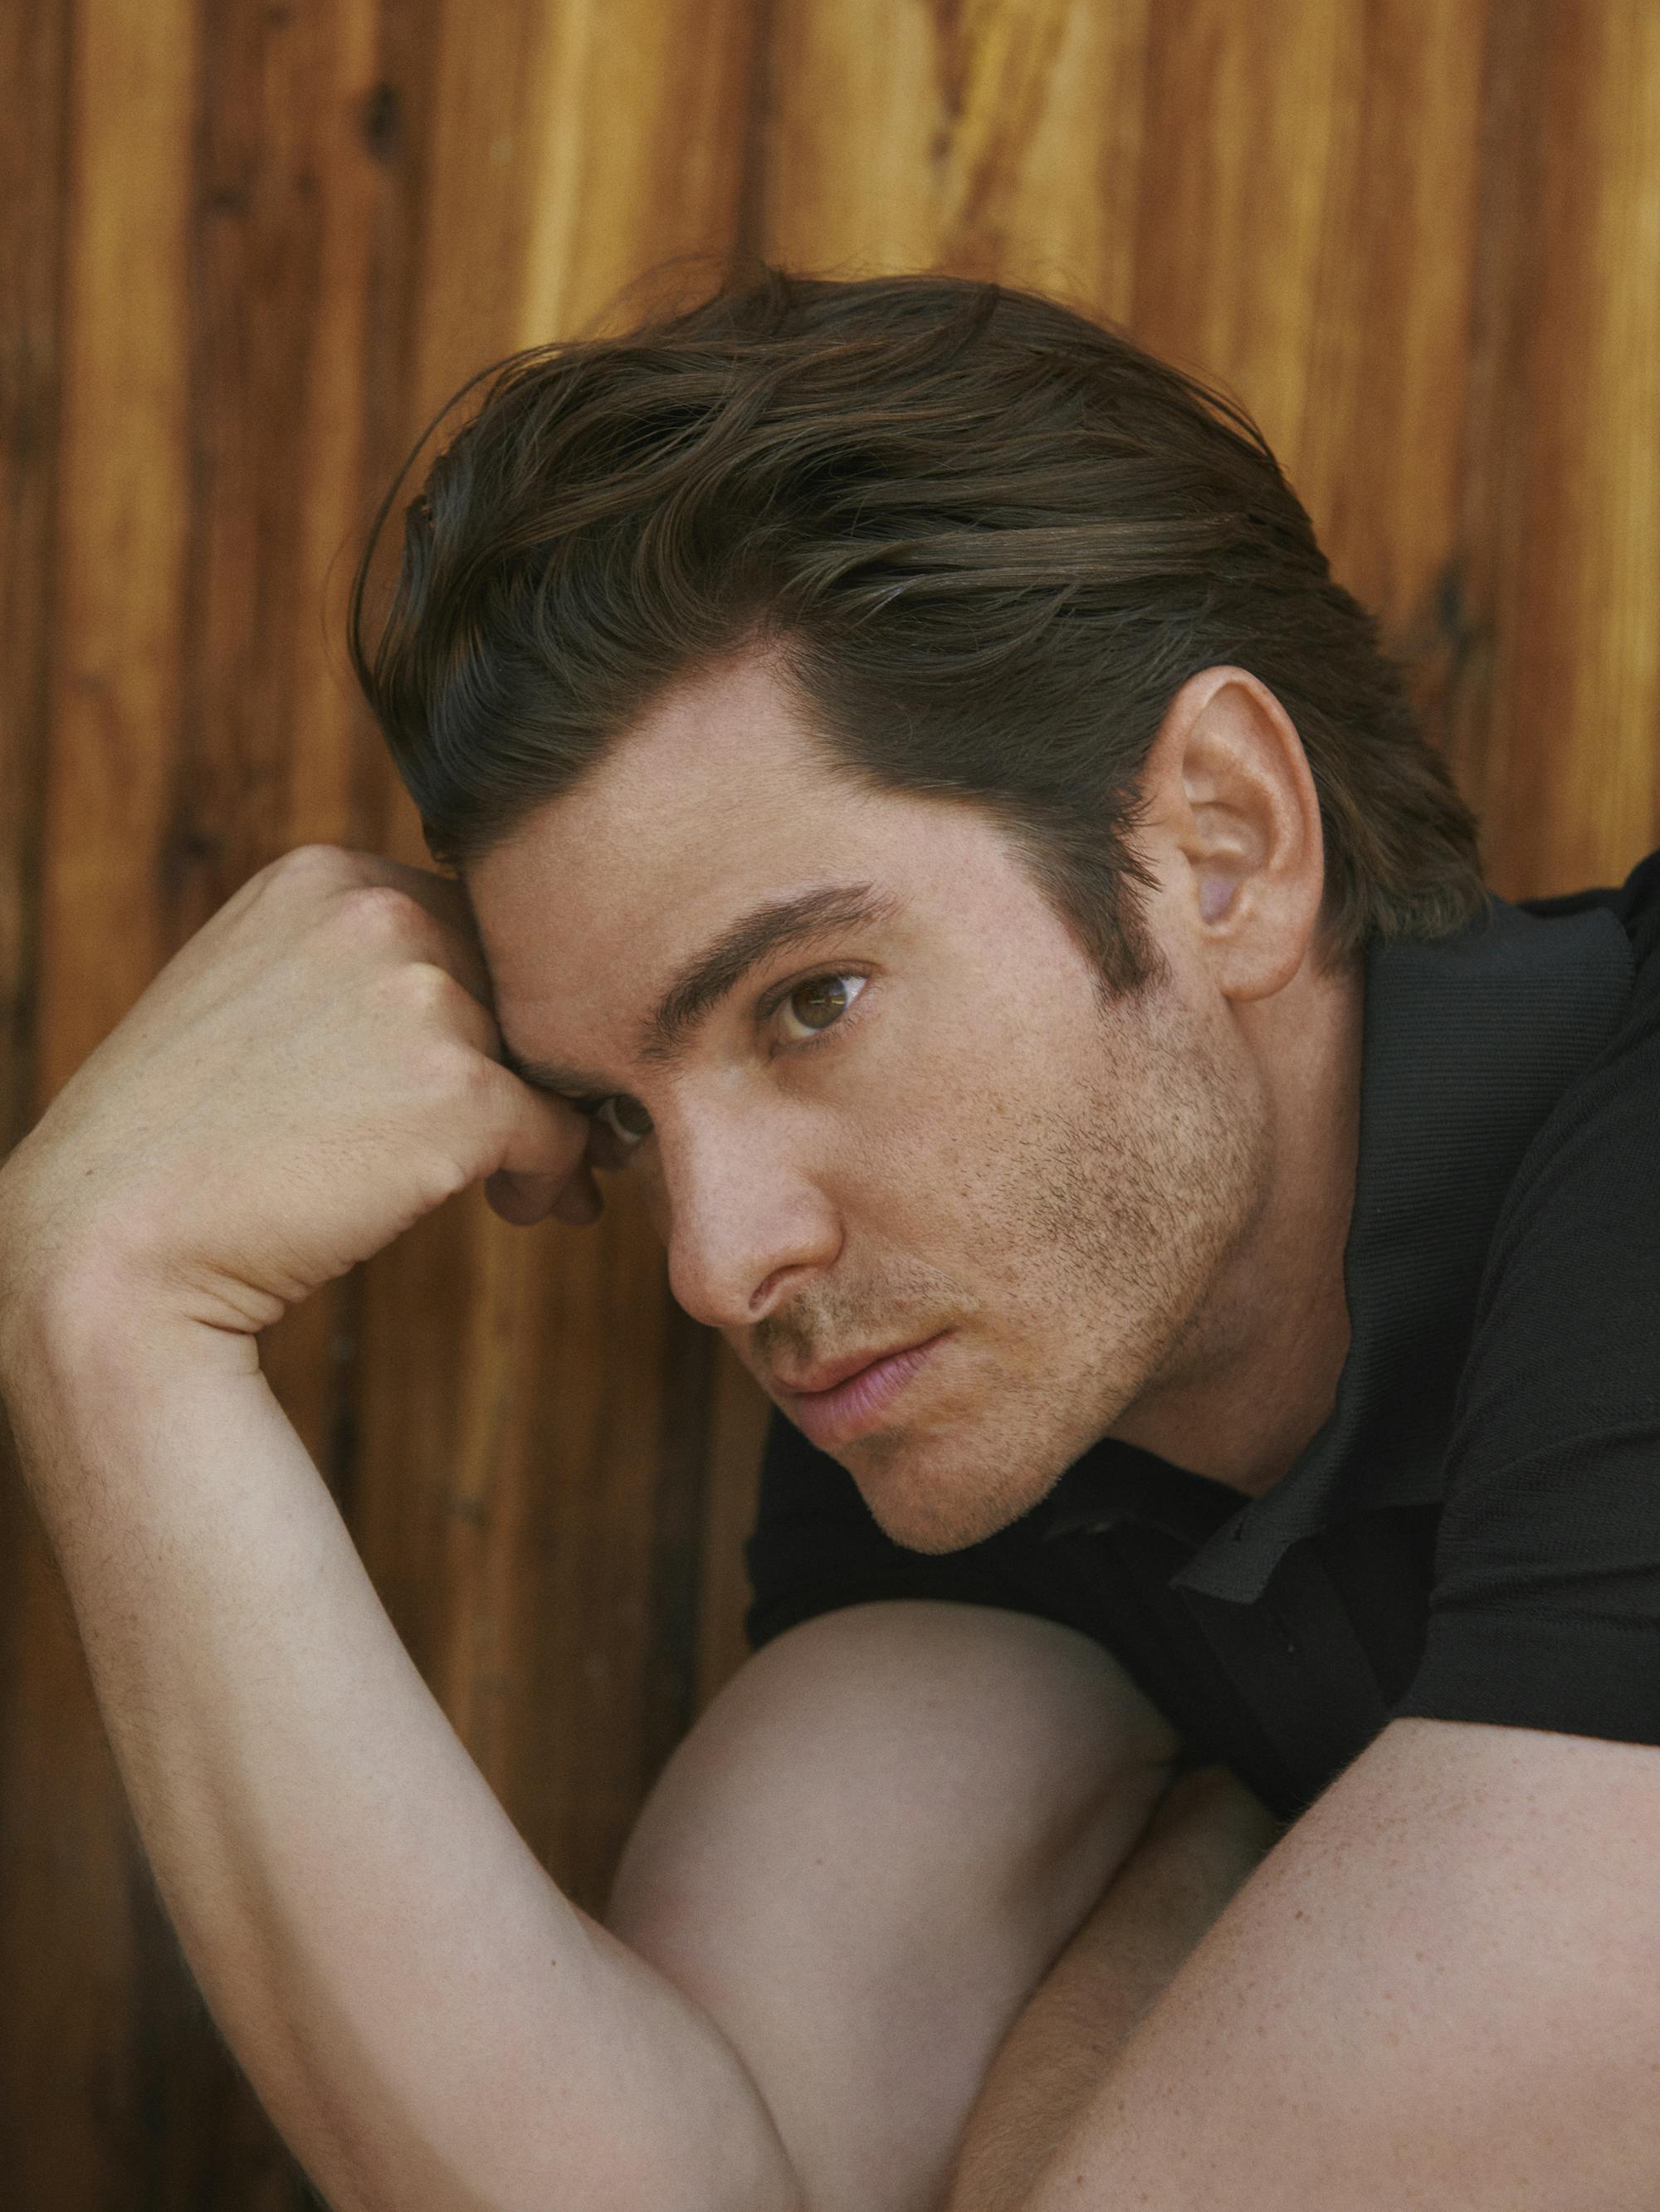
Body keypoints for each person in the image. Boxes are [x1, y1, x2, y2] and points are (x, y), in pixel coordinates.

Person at [0, 268, 1655, 2211]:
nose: (717, 1257)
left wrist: (1183, 1910)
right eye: (620, 1111)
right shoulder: (996, 1386)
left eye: (810, 1001)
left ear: (1218, 842)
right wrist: (107, 1314)